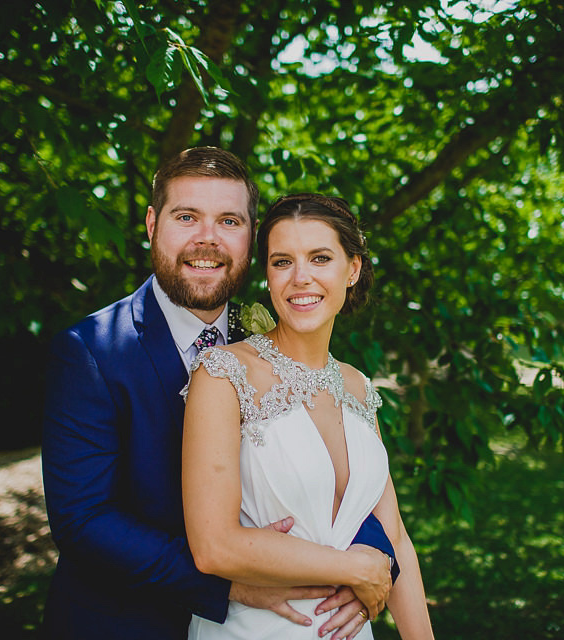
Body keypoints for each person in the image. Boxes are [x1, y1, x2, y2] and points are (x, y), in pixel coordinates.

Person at [41, 149, 397, 639]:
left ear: (251, 237)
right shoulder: (92, 350)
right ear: (152, 224)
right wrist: (229, 583)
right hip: (128, 622)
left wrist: (375, 561)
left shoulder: (275, 337)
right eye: (186, 216)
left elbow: (338, 466)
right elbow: (83, 520)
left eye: (228, 220)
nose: (207, 238)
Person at [182, 193, 436, 639]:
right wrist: (357, 568)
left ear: (352, 268)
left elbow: (395, 538)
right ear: (267, 273)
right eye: (282, 262)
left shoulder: (358, 385)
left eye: (320, 258)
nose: (301, 278)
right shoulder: (223, 374)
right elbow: (213, 547)